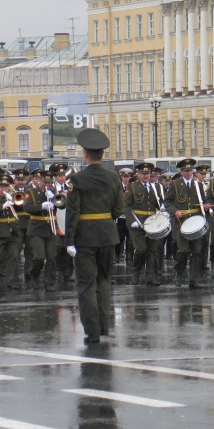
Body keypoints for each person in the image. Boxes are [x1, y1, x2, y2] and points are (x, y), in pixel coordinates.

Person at [64, 128, 124, 344]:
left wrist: (69, 241)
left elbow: (72, 213)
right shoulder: (113, 177)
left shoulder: (77, 180)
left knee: (86, 284)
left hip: (85, 237)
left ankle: (92, 331)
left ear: (85, 154)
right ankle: (104, 326)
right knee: (104, 280)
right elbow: (119, 209)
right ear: (102, 154)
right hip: (108, 235)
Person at [163, 158, 210, 288]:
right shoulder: (175, 184)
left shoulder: (198, 185)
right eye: (185, 171)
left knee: (196, 251)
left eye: (190, 170)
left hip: (195, 221)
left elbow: (203, 201)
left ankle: (193, 279)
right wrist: (175, 211)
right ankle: (178, 273)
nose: (188, 173)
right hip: (181, 221)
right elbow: (167, 202)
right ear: (181, 171)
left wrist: (205, 207)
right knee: (182, 250)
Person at [124, 162, 163, 286]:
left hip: (152, 223)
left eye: (147, 173)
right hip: (138, 222)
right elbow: (126, 205)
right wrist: (132, 221)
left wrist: (163, 206)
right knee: (141, 249)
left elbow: (159, 203)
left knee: (152, 250)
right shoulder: (132, 186)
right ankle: (136, 274)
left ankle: (150, 277)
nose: (146, 176)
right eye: (143, 173)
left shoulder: (155, 187)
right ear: (138, 174)